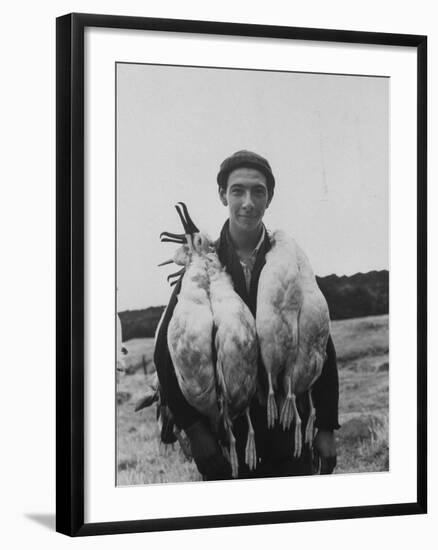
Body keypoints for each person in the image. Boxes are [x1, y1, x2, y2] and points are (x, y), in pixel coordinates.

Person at [154, 150, 339, 481]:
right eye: (237, 190)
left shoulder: (290, 260)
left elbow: (319, 342)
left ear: (270, 197)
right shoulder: (204, 262)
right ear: (223, 194)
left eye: (259, 191)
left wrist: (326, 426)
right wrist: (195, 430)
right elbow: (166, 353)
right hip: (229, 438)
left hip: (289, 429)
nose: (248, 202)